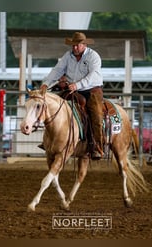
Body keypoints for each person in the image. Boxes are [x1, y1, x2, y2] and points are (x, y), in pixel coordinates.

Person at [40, 32, 104, 160]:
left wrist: (77, 85)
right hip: (72, 90)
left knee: (96, 116)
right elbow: (57, 70)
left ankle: (97, 146)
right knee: (53, 108)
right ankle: (50, 140)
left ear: (84, 45)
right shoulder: (67, 56)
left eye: (78, 45)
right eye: (73, 45)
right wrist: (46, 84)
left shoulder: (93, 56)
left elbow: (94, 75)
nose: (75, 48)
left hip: (91, 90)